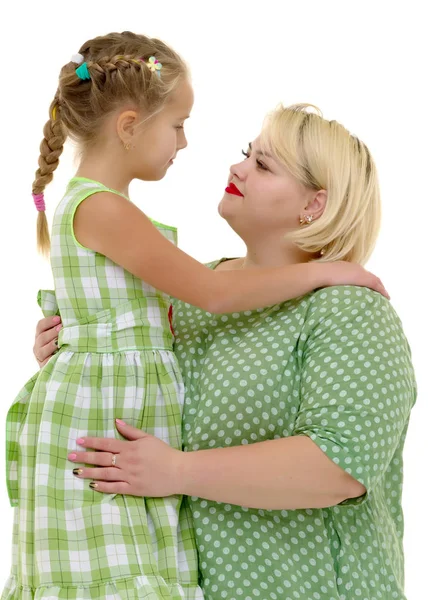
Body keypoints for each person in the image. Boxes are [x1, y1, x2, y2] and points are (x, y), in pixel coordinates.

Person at [2, 30, 386, 600]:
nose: (236, 165)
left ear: (315, 204)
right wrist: (73, 342)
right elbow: (196, 300)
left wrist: (177, 469)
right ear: (130, 125)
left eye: (264, 163)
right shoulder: (186, 286)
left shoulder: (346, 310)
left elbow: (339, 466)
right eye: (246, 152)